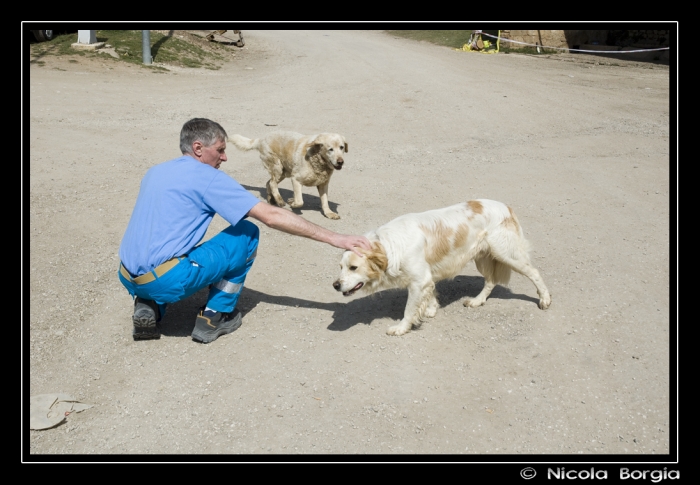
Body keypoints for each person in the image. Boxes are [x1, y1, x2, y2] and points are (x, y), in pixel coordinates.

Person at [118, 118, 371, 343]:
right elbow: (270, 216)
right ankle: (215, 315)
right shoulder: (208, 177)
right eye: (220, 150)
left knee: (166, 249)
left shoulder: (156, 171)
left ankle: (149, 304)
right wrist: (335, 238)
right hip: (167, 278)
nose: (224, 157)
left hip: (127, 275)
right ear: (198, 148)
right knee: (246, 233)